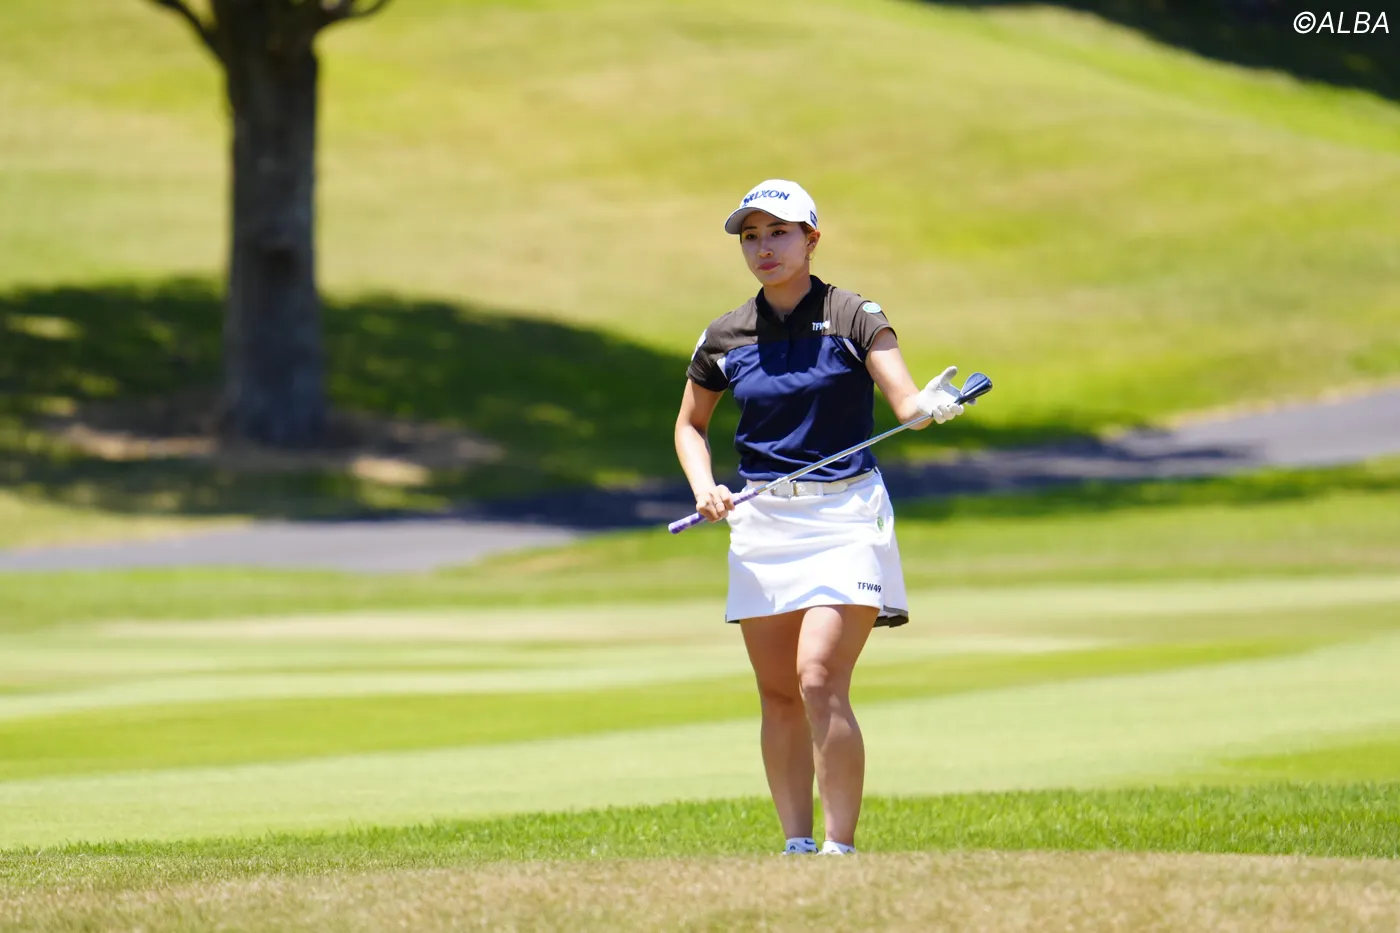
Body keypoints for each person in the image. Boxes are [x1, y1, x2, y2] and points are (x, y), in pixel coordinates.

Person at [673, 179, 966, 856]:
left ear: (811, 239)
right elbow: (690, 425)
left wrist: (929, 405)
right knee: (777, 692)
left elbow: (906, 405)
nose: (764, 248)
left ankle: (839, 848)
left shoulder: (854, 315)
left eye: (779, 233)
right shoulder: (725, 334)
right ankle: (797, 846)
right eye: (751, 237)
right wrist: (704, 487)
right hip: (763, 521)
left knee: (816, 677)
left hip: (846, 515)